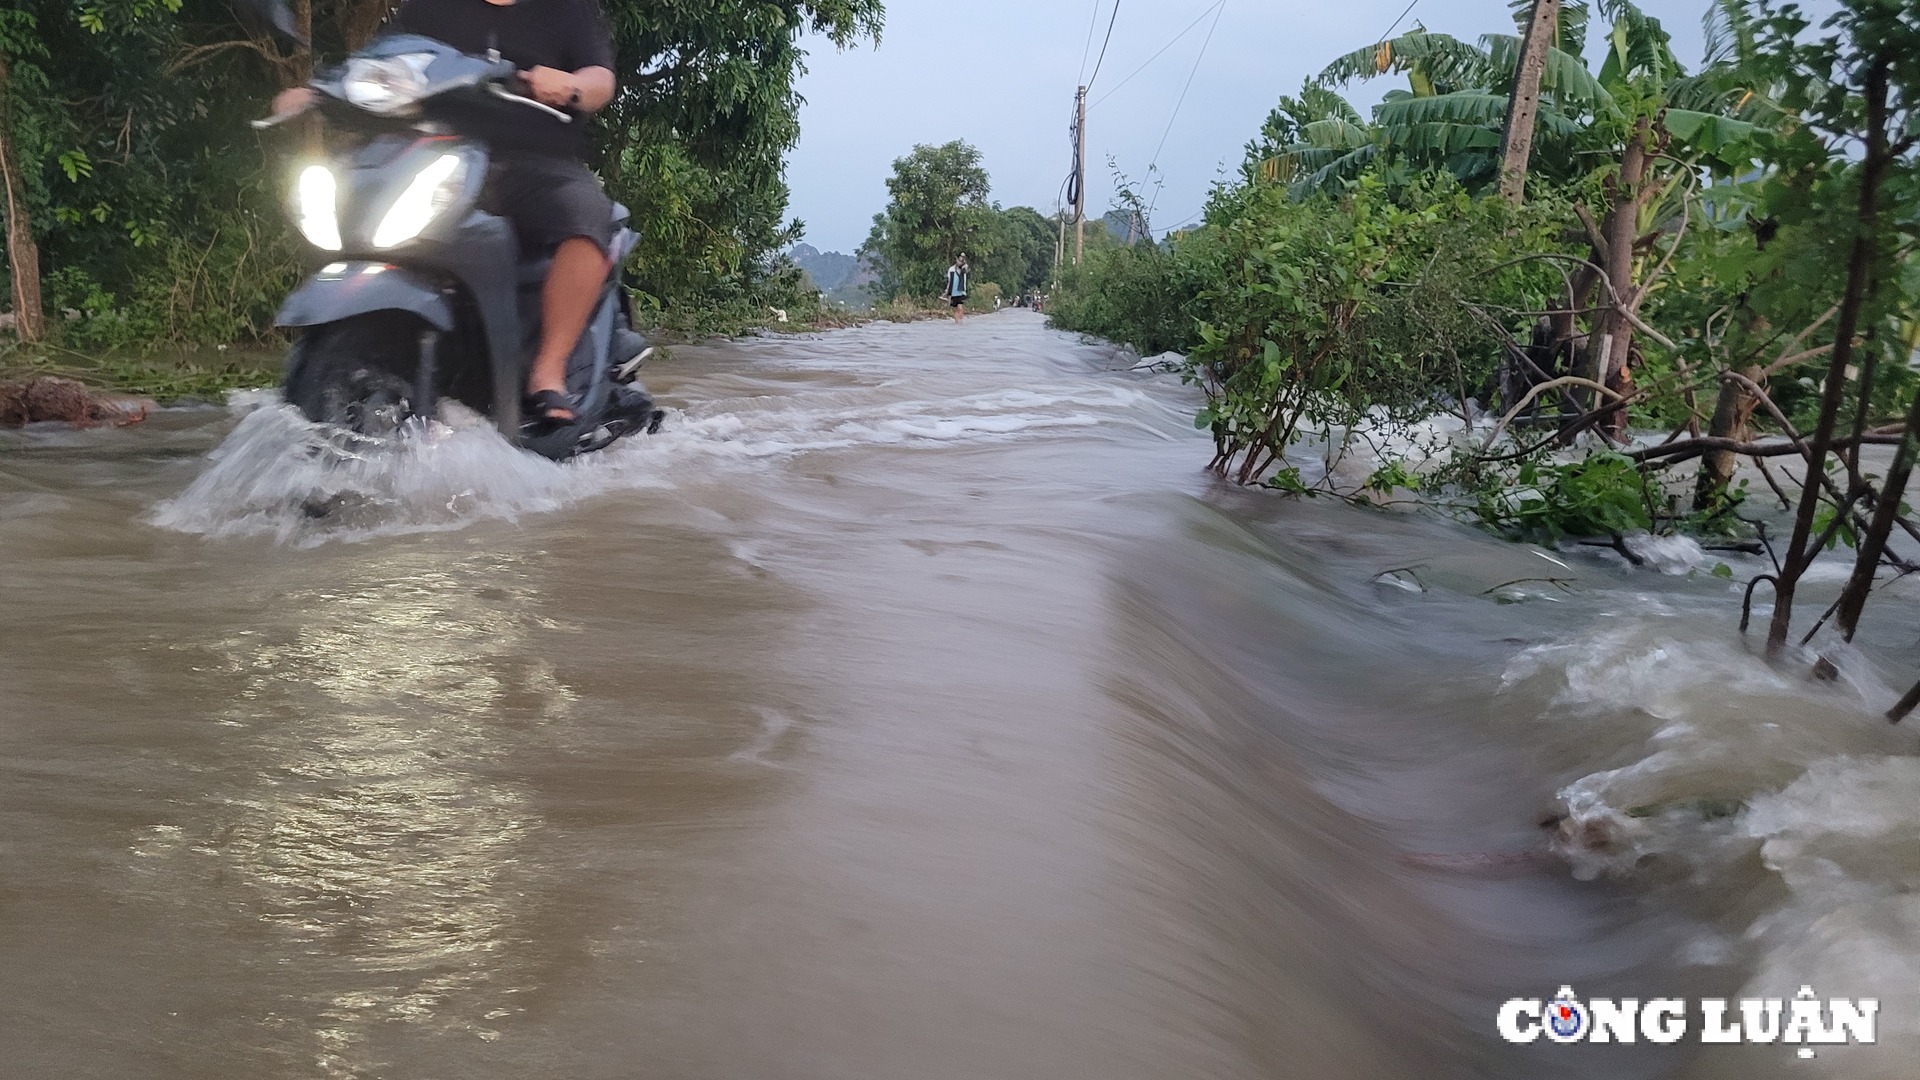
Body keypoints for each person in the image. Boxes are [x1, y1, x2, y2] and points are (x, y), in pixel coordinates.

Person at [271, 0, 618, 424]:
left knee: (585, 216)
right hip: (441, 152)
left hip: (534, 162)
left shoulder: (565, 9)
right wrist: (316, 89)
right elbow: (381, 59)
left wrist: (572, 86)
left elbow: (600, 78)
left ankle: (548, 369)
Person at [944, 254, 970, 323]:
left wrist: (964, 266)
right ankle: (957, 324)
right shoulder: (951, 269)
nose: (960, 261)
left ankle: (960, 322)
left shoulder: (964, 268)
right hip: (953, 292)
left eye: (962, 260)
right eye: (959, 259)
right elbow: (949, 281)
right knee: (956, 310)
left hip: (961, 291)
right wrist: (947, 291)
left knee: (960, 308)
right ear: (956, 260)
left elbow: (966, 270)